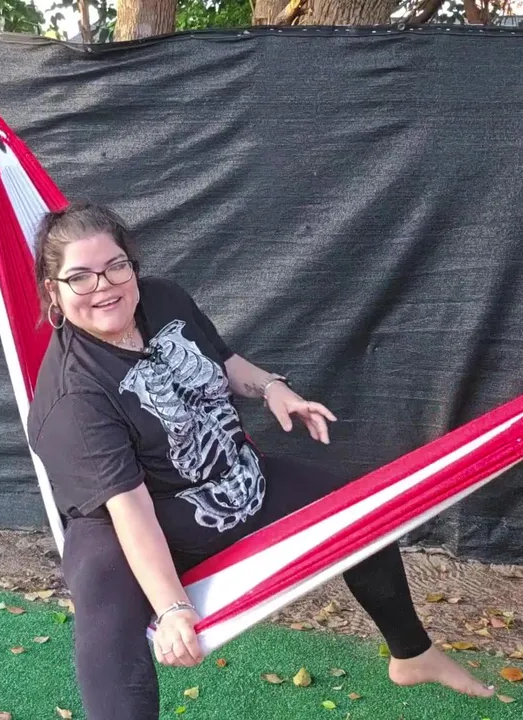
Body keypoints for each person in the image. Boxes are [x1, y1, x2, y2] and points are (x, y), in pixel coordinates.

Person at [25, 202, 495, 719]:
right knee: (107, 614)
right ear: (54, 291)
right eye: (80, 277)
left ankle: (412, 654)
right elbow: (130, 509)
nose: (104, 287)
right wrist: (173, 607)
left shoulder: (161, 298)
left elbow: (223, 361)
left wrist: (272, 389)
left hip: (236, 479)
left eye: (116, 266)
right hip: (134, 520)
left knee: (364, 510)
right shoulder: (73, 398)